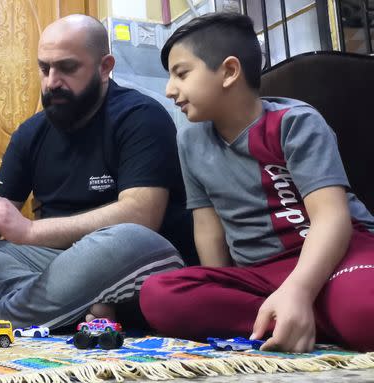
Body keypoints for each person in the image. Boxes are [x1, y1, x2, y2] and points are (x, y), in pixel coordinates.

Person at [0, 14, 194, 330]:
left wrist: (31, 232)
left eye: (67, 68)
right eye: (45, 68)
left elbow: (142, 216)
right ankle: (80, 308)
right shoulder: (30, 134)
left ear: (105, 67)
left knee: (128, 237)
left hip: (136, 263)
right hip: (57, 266)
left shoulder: (141, 116)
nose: (52, 82)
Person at [140, 13, 374, 352]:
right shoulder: (190, 144)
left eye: (181, 73)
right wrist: (218, 284)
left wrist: (299, 289)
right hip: (262, 276)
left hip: (339, 255)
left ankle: (300, 311)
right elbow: (208, 230)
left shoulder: (295, 123)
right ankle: (302, 316)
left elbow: (331, 218)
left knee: (364, 312)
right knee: (158, 296)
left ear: (230, 71)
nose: (169, 89)